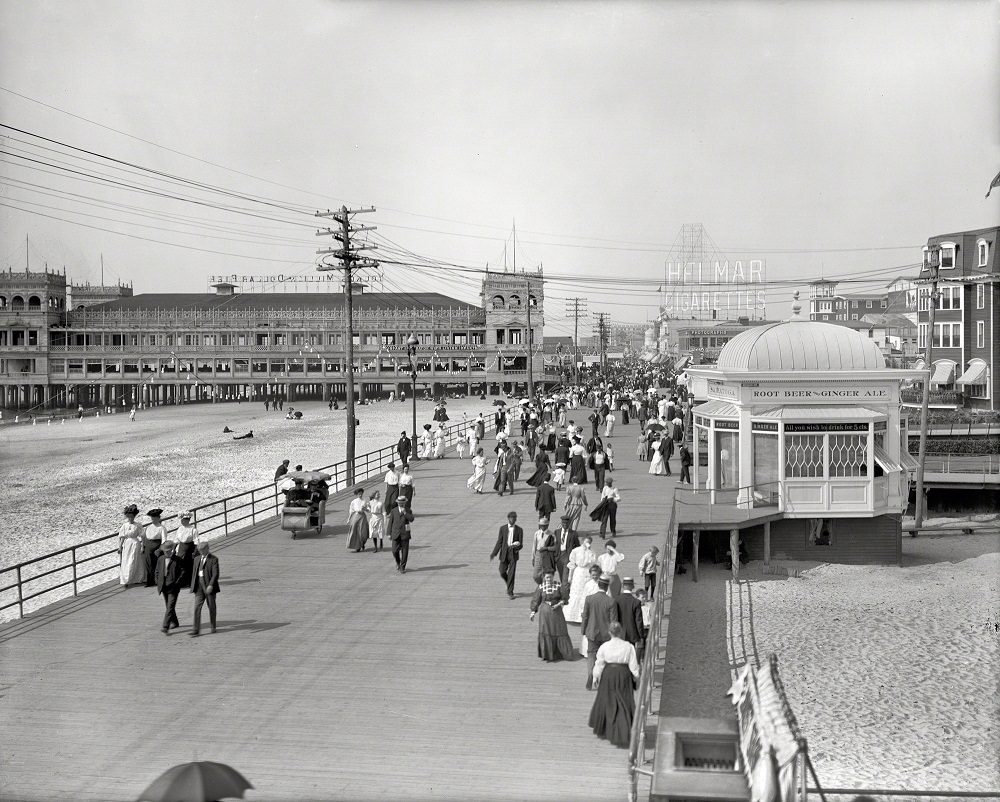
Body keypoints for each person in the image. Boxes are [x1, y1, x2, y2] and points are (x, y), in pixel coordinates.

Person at [588, 621, 640, 746]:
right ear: (621, 632)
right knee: (623, 700)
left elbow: (599, 663)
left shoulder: (604, 646)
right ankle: (623, 728)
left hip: (609, 674)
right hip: (623, 674)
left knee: (608, 700)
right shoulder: (628, 646)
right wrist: (636, 676)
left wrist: (595, 677)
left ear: (609, 632)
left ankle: (608, 728)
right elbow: (633, 665)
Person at [528, 570, 575, 662]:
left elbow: (565, 598)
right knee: (546, 631)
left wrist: (559, 604)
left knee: (559, 630)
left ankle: (563, 652)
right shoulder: (541, 587)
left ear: (553, 577)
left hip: (556, 612)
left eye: (550, 577)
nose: (549, 579)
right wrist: (533, 611)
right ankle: (548, 654)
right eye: (547, 577)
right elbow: (536, 599)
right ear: (544, 578)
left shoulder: (558, 586)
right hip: (545, 613)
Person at [580, 575, 618, 689]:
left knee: (591, 655)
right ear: (607, 587)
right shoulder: (611, 602)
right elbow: (613, 621)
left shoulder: (589, 599)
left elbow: (585, 616)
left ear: (598, 585)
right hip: (606, 635)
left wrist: (583, 630)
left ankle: (590, 674)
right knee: (604, 657)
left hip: (591, 632)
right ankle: (600, 678)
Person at [490, 511, 523, 599]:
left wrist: (516, 547)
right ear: (508, 518)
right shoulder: (503, 528)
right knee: (502, 571)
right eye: (512, 518)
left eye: (515, 518)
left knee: (512, 573)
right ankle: (509, 582)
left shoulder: (519, 530)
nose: (513, 519)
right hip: (504, 553)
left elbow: (521, 544)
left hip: (513, 554)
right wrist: (494, 553)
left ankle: (510, 592)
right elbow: (499, 541)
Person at [189, 541, 220, 636]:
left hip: (208, 587)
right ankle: (196, 629)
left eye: (202, 550)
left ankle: (213, 626)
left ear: (207, 549)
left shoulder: (213, 559)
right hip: (198, 587)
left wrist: (211, 585)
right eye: (199, 550)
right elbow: (194, 573)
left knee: (211, 607)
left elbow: (215, 574)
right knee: (196, 608)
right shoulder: (197, 559)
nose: (201, 552)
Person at [565, 541, 599, 624]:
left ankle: (586, 614)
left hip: (588, 573)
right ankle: (573, 615)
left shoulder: (592, 552)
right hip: (579, 573)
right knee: (577, 592)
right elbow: (572, 564)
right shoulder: (576, 551)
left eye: (589, 542)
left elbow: (594, 562)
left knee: (587, 592)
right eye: (586, 541)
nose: (588, 543)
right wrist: (570, 576)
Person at [154, 541, 183, 634]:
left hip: (173, 586)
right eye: (165, 551)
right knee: (169, 605)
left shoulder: (178, 560)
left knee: (170, 606)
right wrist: (157, 581)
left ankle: (165, 626)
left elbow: (183, 572)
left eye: (168, 551)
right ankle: (175, 622)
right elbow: (157, 571)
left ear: (172, 550)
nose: (166, 552)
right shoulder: (160, 559)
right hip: (163, 585)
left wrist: (177, 583)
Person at [616, 578, 646, 663]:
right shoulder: (636, 602)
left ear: (622, 586)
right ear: (632, 586)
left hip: (619, 632)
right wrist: (641, 636)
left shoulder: (616, 599)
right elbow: (639, 621)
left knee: (620, 655)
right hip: (632, 633)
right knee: (629, 656)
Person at [117, 504, 145, 588]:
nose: (130, 519)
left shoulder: (137, 525)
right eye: (129, 517)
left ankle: (136, 578)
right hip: (127, 543)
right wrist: (120, 547)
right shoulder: (125, 526)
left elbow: (142, 536)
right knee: (126, 560)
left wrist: (143, 546)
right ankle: (126, 579)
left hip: (135, 543)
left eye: (132, 517)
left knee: (134, 559)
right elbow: (122, 537)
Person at [386, 496, 414, 574]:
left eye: (403, 503)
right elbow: (390, 522)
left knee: (405, 551)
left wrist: (405, 513)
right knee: (394, 550)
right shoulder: (394, 511)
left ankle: (402, 567)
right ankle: (398, 562)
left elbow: (411, 519)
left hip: (405, 533)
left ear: (405, 503)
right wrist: (388, 533)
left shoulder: (408, 510)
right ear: (398, 503)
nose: (401, 504)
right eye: (400, 503)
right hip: (395, 533)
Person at [141, 508, 166, 588]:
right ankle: (149, 581)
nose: (153, 520)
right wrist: (143, 547)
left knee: (156, 565)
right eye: (152, 518)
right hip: (148, 546)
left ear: (158, 518)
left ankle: (157, 580)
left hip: (157, 546)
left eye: (155, 518)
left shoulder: (161, 528)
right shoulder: (148, 527)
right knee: (148, 564)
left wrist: (160, 549)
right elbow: (144, 538)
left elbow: (164, 539)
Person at [174, 510, 199, 586]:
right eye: (181, 520)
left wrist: (195, 551)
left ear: (188, 520)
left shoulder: (193, 529)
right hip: (181, 547)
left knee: (188, 564)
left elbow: (196, 541)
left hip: (189, 548)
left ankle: (189, 581)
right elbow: (177, 539)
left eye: (184, 520)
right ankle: (182, 581)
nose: (182, 521)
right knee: (180, 564)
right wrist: (174, 548)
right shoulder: (180, 529)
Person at [530, 517, 557, 584]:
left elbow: (555, 547)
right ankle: (541, 585)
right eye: (541, 525)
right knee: (536, 575)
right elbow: (534, 546)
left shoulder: (551, 535)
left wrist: (547, 548)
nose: (542, 527)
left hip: (547, 555)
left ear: (547, 525)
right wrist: (533, 557)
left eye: (544, 525)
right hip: (538, 554)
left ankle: (544, 589)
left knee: (546, 574)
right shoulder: (537, 533)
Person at [554, 514, 580, 584]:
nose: (565, 524)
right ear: (561, 523)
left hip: (568, 556)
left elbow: (578, 546)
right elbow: (555, 544)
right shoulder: (557, 532)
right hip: (559, 556)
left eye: (566, 523)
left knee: (565, 575)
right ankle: (565, 589)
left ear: (569, 523)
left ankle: (565, 589)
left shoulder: (573, 533)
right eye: (563, 523)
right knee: (561, 574)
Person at [346, 487, 370, 552]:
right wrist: (349, 519)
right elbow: (351, 511)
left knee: (363, 532)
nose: (360, 495)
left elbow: (369, 509)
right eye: (359, 494)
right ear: (356, 494)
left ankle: (362, 543)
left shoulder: (365, 500)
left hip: (362, 516)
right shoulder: (353, 502)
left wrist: (365, 509)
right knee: (355, 531)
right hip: (356, 516)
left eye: (361, 494)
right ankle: (357, 546)